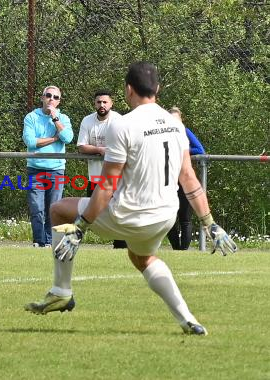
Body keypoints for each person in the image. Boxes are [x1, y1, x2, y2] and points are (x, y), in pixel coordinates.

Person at [24, 62, 237, 335]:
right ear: (157, 89)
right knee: (143, 258)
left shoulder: (122, 125)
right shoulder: (175, 124)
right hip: (164, 216)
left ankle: (61, 291)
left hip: (128, 213)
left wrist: (81, 226)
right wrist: (209, 223)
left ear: (128, 90)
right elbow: (189, 178)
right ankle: (188, 320)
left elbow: (108, 184)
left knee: (59, 210)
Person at [23, 86, 73, 247]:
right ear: (42, 97)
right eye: (48, 95)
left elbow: (67, 138)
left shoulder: (63, 118)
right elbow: (31, 143)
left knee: (54, 209)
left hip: (56, 170)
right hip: (35, 169)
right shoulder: (31, 117)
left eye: (55, 97)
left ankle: (51, 242)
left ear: (59, 101)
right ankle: (39, 241)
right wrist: (53, 139)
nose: (51, 99)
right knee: (37, 208)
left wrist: (55, 118)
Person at [77, 89, 126, 249]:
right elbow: (82, 147)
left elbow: (124, 147)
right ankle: (78, 243)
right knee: (92, 215)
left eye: (105, 102)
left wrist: (107, 149)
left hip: (116, 179)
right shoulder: (87, 121)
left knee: (118, 214)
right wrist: (100, 150)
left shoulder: (119, 121)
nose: (102, 105)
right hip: (95, 178)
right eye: (99, 102)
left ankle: (120, 247)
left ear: (111, 103)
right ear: (94, 103)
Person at [166, 107, 206, 250]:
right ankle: (176, 248)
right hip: (167, 180)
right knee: (168, 218)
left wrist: (183, 150)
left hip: (184, 180)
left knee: (185, 217)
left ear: (181, 120)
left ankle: (183, 250)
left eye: (176, 120)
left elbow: (200, 150)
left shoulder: (185, 132)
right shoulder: (163, 133)